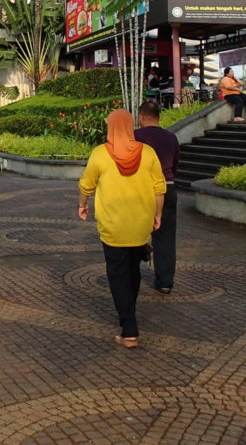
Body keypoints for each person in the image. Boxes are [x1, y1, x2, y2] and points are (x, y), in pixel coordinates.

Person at [79, 109, 166, 348]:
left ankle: (129, 327)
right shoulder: (147, 153)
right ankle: (128, 314)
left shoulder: (99, 154)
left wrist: (82, 205)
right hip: (140, 224)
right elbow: (159, 187)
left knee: (117, 274)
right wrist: (158, 214)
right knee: (133, 270)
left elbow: (87, 183)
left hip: (112, 225)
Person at [134, 101, 180, 294]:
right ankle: (165, 281)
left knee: (134, 234)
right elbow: (175, 164)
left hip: (140, 191)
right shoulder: (171, 138)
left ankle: (131, 275)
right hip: (168, 188)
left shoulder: (134, 137)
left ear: (141, 117)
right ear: (158, 116)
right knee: (166, 237)